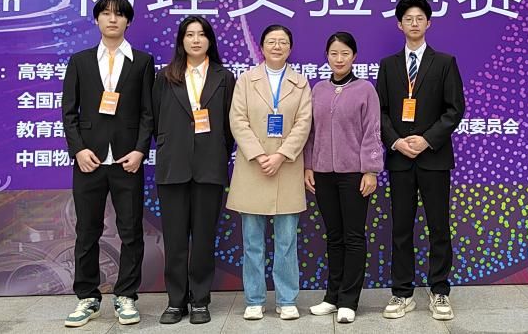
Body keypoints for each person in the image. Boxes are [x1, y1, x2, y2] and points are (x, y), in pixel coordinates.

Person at [60, 0, 154, 328]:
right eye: (106, 13)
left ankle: (126, 296)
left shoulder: (142, 62)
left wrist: (140, 150)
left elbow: (148, 113)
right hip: (90, 160)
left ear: (128, 21)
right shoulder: (80, 61)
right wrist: (78, 150)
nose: (112, 19)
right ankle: (87, 297)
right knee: (87, 231)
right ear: (97, 19)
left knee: (131, 231)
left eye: (119, 14)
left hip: (128, 160)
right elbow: (69, 112)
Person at [376, 0, 465, 321]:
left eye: (419, 18)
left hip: (434, 158)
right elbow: (380, 111)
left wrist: (427, 140)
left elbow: (454, 109)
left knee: (438, 226)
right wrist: (397, 142)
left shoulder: (444, 62)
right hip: (400, 159)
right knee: (401, 228)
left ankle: (439, 290)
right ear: (399, 25)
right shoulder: (388, 65)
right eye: (408, 19)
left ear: (428, 23)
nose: (414, 23)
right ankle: (402, 293)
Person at [152, 16, 236, 325]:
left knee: (203, 238)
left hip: (209, 167)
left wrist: (216, 150)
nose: (196, 40)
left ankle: (200, 300)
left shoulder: (224, 77)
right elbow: (155, 119)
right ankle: (176, 301)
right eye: (190, 35)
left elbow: (230, 124)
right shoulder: (165, 76)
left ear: (210, 40)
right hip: (173, 166)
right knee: (174, 240)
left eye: (202, 34)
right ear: (181, 41)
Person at [226, 25, 313, 321]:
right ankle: (254, 299)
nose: (277, 46)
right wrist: (260, 155)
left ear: (290, 48)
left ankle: (287, 299)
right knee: (252, 241)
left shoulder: (300, 83)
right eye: (271, 42)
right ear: (262, 47)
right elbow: (237, 120)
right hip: (253, 167)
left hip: (286, 167)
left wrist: (281, 155)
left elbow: (303, 123)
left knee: (286, 241)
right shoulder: (245, 80)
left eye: (283, 42)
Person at [303, 32, 382, 324]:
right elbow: (310, 132)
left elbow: (372, 130)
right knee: (334, 236)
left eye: (345, 53)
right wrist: (309, 166)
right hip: (323, 173)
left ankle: (349, 300)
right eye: (334, 53)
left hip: (354, 175)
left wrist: (370, 170)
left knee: (353, 236)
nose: (339, 59)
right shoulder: (318, 90)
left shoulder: (365, 89)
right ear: (327, 56)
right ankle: (332, 297)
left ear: (354, 56)